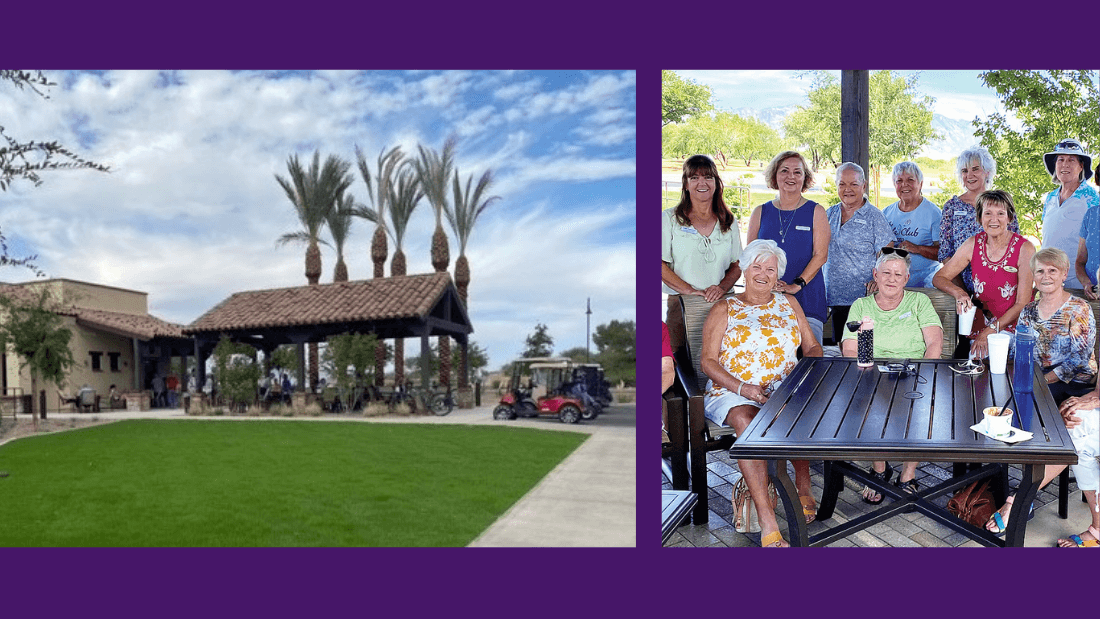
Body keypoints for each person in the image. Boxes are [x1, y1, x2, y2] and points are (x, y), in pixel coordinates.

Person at [700, 239, 823, 547]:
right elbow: (708, 361)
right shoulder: (724, 307)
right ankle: (768, 519)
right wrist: (744, 388)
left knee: (795, 408)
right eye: (756, 266)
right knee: (746, 419)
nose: (763, 274)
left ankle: (803, 484)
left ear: (777, 274)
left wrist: (804, 378)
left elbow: (811, 346)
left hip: (784, 387)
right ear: (744, 268)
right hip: (733, 389)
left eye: (770, 269)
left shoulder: (788, 302)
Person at [841, 248, 943, 501]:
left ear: (906, 279)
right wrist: (866, 373)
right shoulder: (861, 305)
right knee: (867, 405)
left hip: (913, 371)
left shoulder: (919, 302)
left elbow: (934, 344)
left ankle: (908, 475)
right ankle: (879, 469)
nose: (891, 278)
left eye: (898, 274)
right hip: (871, 372)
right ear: (875, 275)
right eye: (886, 272)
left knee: (920, 409)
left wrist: (925, 375)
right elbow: (849, 348)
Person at [933, 190, 1035, 360]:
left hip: (1016, 325)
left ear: (1009, 218)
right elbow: (939, 278)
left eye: (1000, 213)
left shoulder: (1025, 248)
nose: (994, 219)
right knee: (975, 366)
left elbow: (1022, 303)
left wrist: (989, 332)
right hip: (982, 322)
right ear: (980, 218)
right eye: (988, 213)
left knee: (998, 363)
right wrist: (960, 293)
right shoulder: (973, 243)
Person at [938, 147, 1019, 357]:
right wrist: (963, 291)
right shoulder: (951, 206)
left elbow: (1015, 247)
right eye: (965, 171)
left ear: (988, 172)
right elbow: (945, 251)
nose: (970, 175)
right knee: (965, 349)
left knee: (1000, 349)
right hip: (962, 289)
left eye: (976, 169)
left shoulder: (1002, 204)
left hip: (999, 292)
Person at [746, 150, 829, 345]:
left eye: (797, 172)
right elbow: (750, 259)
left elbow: (821, 255)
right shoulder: (760, 212)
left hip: (807, 297)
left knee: (810, 362)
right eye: (784, 170)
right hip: (767, 299)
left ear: (805, 178)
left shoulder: (816, 211)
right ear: (775, 175)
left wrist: (796, 285)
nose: (791, 176)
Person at [662, 155, 743, 344]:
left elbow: (738, 263)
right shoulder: (669, 219)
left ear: (716, 183)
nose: (702, 183)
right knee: (678, 362)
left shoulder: (728, 221)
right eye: (694, 178)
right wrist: (689, 291)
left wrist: (722, 288)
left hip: (721, 303)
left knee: (720, 357)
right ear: (685, 184)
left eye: (708, 177)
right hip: (681, 304)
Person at [823, 162, 897, 339]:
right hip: (833, 297)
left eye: (854, 184)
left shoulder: (874, 216)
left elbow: (887, 253)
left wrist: (878, 279)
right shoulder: (829, 213)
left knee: (861, 349)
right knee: (840, 348)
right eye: (842, 184)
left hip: (863, 299)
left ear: (863, 185)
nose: (847, 189)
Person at [1016, 248, 1097, 404]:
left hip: (1075, 383)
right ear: (1034, 276)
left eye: (1052, 270)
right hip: (1040, 379)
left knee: (1030, 402)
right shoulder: (1028, 310)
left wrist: (1043, 381)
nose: (1046, 276)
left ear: (1064, 274)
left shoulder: (1078, 308)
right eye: (1040, 271)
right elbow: (1020, 348)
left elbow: (1080, 360)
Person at [1040, 139, 1099, 291]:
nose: (1065, 164)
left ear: (1081, 166)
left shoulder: (1092, 199)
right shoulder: (1050, 198)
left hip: (1080, 287)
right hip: (1049, 284)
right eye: (1060, 160)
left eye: (1071, 160)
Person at [883, 161, 943, 287]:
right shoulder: (886, 213)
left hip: (926, 280)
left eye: (910, 180)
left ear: (920, 184)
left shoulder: (934, 213)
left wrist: (918, 248)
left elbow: (944, 253)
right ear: (894, 185)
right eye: (899, 181)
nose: (904, 185)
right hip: (894, 280)